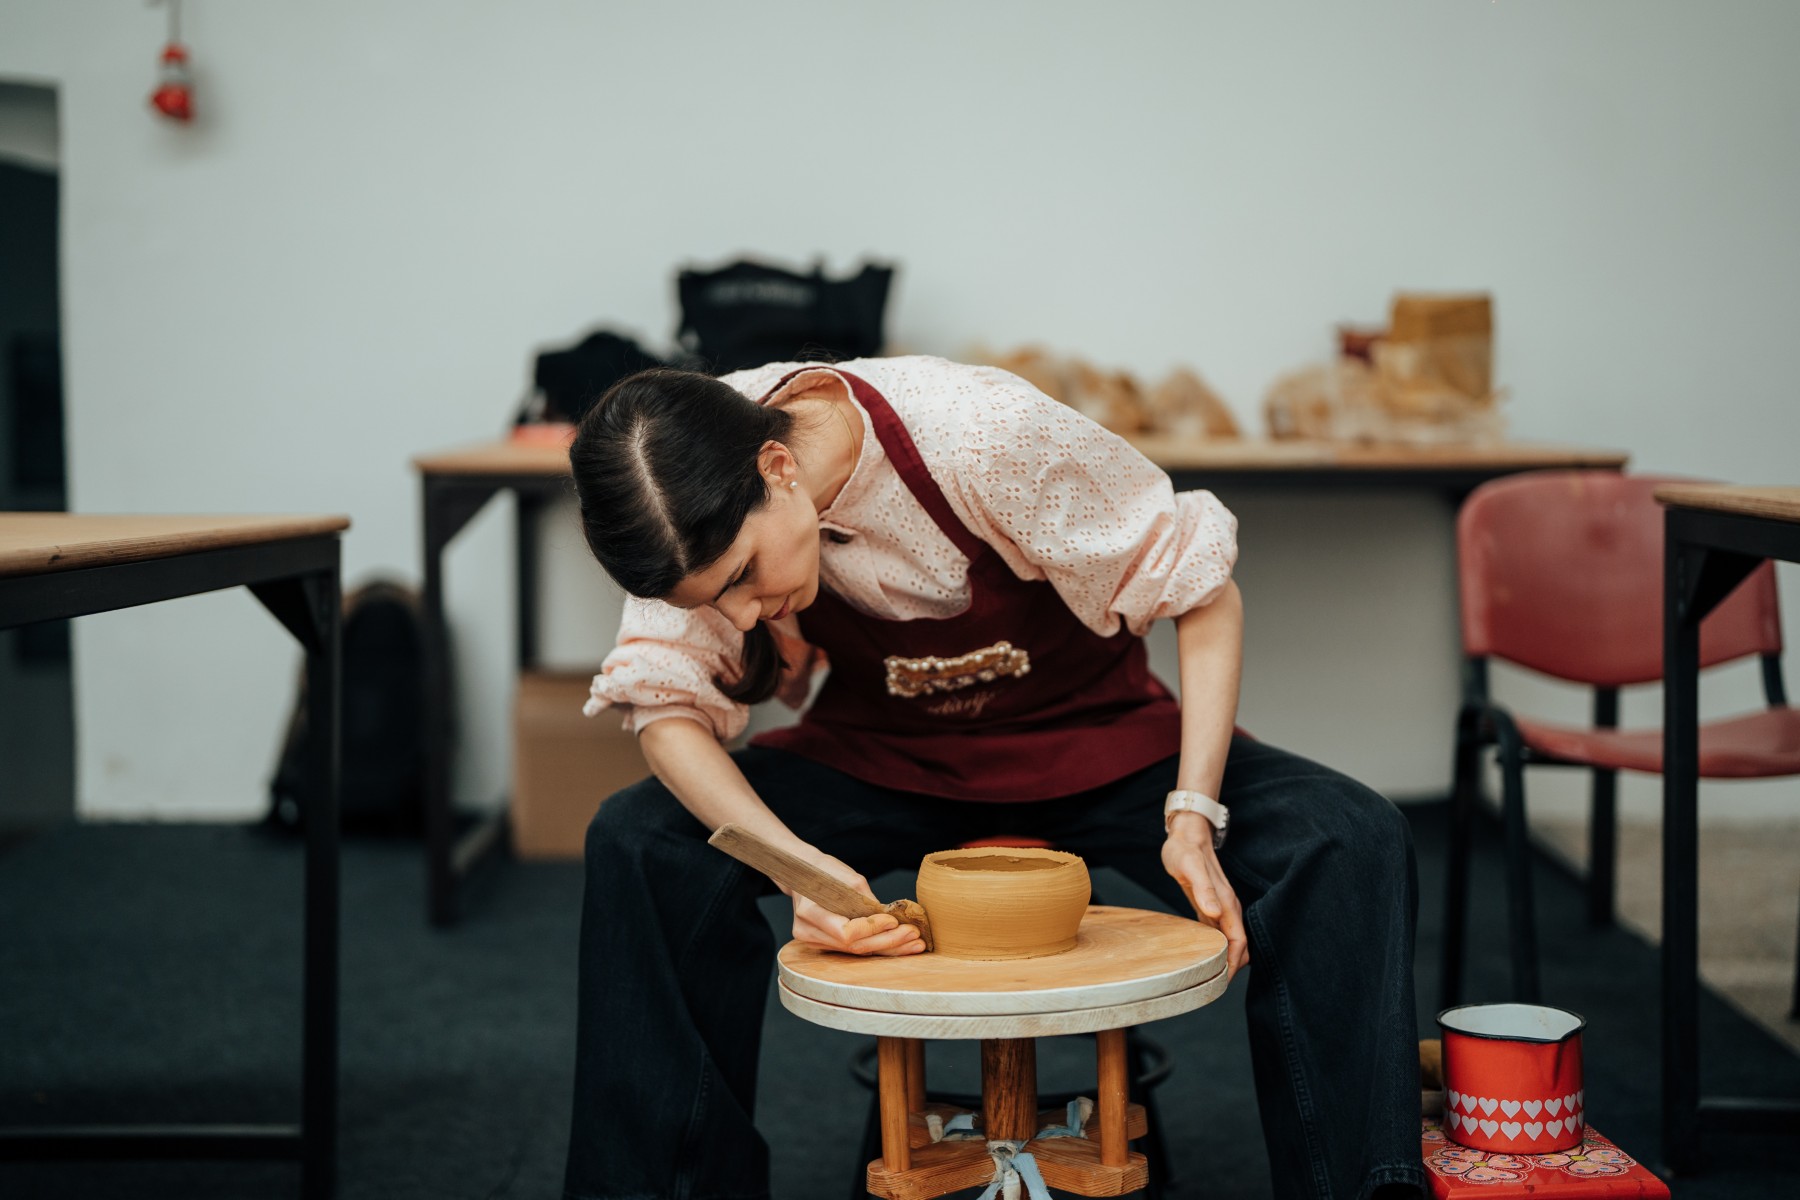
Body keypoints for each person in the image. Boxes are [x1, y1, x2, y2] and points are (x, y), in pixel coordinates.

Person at [563, 355, 1423, 1200]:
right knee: (641, 840)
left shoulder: (983, 436)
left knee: (1346, 837)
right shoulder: (672, 474)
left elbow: (1203, 594)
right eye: (713, 602)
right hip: (883, 755)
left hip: (1090, 740)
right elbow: (666, 712)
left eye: (746, 576)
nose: (742, 614)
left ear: (778, 466)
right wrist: (797, 868)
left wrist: (1193, 816)